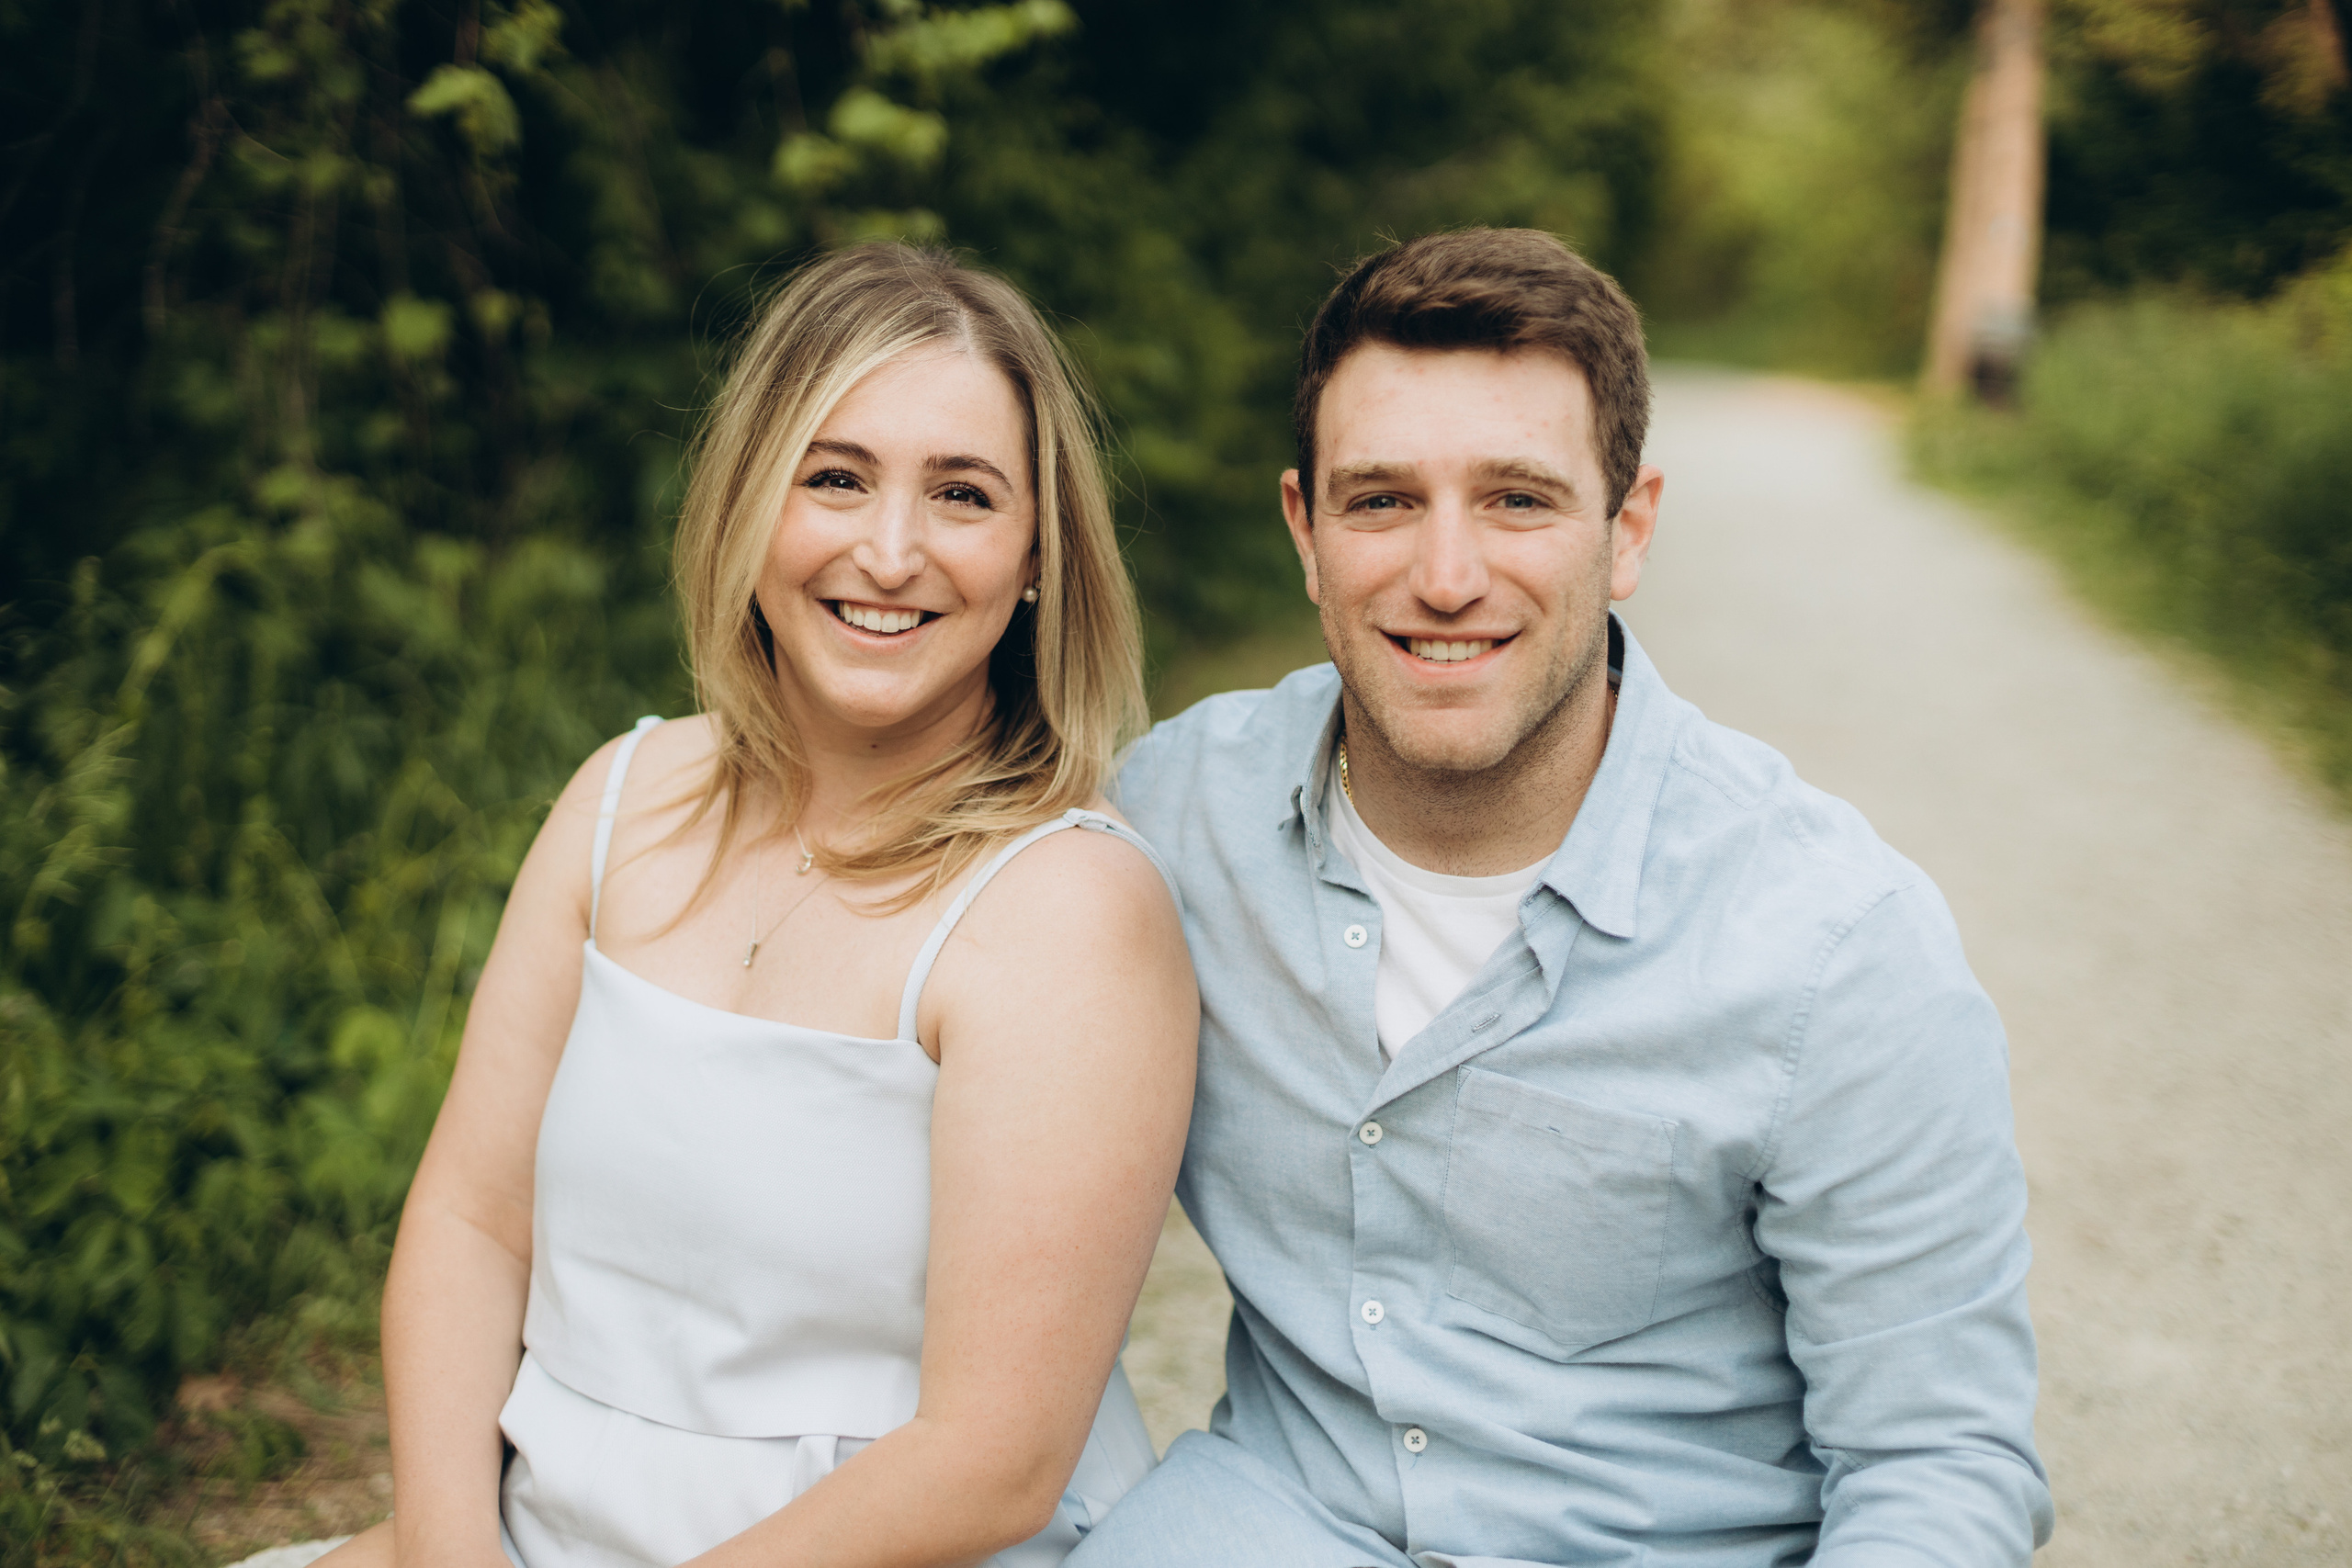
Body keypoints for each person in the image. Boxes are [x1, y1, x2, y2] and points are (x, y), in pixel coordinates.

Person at [1074, 229, 2053, 1566]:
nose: (1447, 576)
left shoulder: (1833, 946)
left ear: (1628, 528)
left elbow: (1937, 1463)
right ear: (1305, 530)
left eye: (1519, 501)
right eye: (1382, 502)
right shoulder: (1166, 822)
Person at [318, 243, 1197, 1568]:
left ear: (1036, 561)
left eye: (962, 495)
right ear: (748, 503)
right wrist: (450, 1551)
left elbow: (994, 1463)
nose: (889, 551)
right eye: (835, 477)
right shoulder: (620, 799)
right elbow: (469, 1221)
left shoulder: (1067, 905)